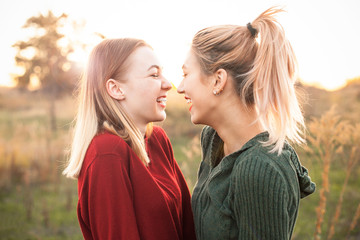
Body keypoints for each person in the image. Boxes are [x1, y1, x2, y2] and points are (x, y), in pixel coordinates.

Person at [177, 7, 316, 240]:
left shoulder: (260, 169)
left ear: (218, 80)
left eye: (185, 74)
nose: (179, 87)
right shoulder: (213, 139)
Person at [63, 38, 196, 240]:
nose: (169, 84)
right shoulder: (106, 153)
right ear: (116, 89)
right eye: (154, 75)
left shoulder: (157, 139)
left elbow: (187, 224)